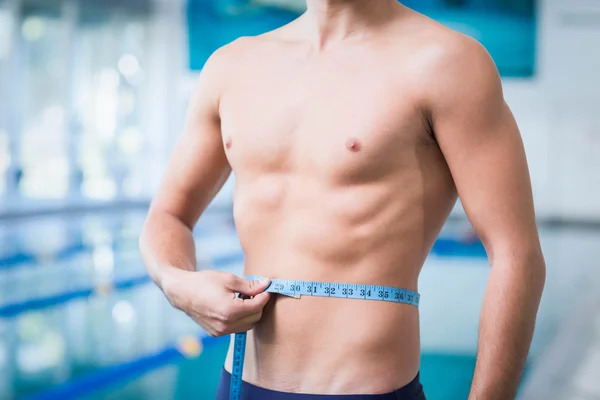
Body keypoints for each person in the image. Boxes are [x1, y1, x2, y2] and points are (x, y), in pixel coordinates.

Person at [139, 1, 546, 399]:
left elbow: (517, 255)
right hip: (238, 382)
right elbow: (169, 215)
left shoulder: (447, 62)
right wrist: (179, 284)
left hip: (366, 387)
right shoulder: (231, 66)